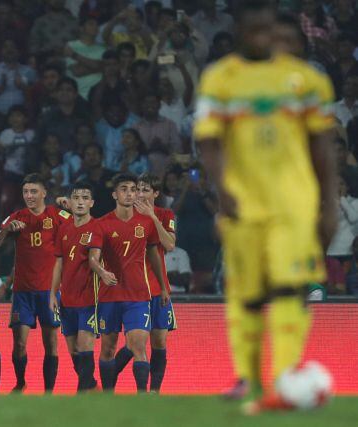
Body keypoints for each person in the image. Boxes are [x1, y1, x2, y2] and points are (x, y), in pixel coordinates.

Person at [196, 1, 337, 412]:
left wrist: (327, 205)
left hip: (294, 202)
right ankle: (247, 377)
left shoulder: (305, 79)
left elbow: (323, 144)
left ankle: (286, 378)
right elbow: (209, 142)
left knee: (291, 287)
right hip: (243, 203)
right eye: (253, 29)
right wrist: (222, 192)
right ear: (238, 30)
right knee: (246, 292)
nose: (261, 36)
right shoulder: (220, 79)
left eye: (266, 28)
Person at [0, 173, 71, 393]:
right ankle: (20, 382)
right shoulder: (17, 217)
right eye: (26, 192)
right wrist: (6, 230)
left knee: (51, 343)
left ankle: (48, 392)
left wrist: (70, 205)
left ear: (44, 193)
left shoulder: (57, 214)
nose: (29, 196)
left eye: (34, 191)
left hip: (49, 292)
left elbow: (83, 222)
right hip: (23, 293)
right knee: (19, 344)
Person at [96, 173, 168, 394]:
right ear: (114, 194)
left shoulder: (146, 222)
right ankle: (108, 397)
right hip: (110, 295)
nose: (129, 193)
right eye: (124, 189)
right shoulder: (102, 224)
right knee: (107, 349)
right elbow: (93, 257)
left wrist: (163, 286)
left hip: (138, 296)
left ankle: (142, 397)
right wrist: (101, 272)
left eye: (133, 189)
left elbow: (155, 254)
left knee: (138, 346)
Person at [112, 173, 176, 392]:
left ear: (156, 193)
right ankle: (108, 378)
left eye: (145, 190)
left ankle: (154, 393)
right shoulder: (125, 214)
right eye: (137, 189)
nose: (139, 194)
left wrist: (152, 217)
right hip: (133, 291)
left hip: (158, 289)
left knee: (158, 342)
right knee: (134, 344)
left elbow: (169, 245)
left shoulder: (165, 214)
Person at [49, 181, 115, 391]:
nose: (80, 202)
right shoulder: (64, 229)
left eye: (85, 198)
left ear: (92, 203)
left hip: (88, 300)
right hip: (66, 299)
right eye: (76, 197)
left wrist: (103, 273)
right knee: (74, 351)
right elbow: (59, 262)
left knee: (86, 349)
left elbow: (93, 258)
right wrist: (53, 294)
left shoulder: (95, 228)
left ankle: (83, 394)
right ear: (70, 201)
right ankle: (93, 389)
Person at [0, 39, 37, 115]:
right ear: (1, 51)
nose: (9, 49)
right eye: (6, 47)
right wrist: (0, 88)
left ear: (19, 51)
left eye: (12, 47)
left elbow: (36, 97)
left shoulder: (29, 71)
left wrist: (23, 87)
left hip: (22, 117)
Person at [134, 92, 183, 177]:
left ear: (159, 105)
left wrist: (163, 148)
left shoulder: (169, 125)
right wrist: (149, 148)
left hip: (166, 175)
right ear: (141, 106)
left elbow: (178, 150)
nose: (150, 105)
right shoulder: (136, 127)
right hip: (142, 175)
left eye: (153, 102)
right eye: (146, 102)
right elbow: (132, 153)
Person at [64, 16, 105, 100]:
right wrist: (99, 67)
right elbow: (77, 71)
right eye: (91, 24)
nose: (95, 27)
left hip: (99, 95)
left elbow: (105, 67)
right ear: (81, 28)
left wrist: (74, 55)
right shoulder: (71, 45)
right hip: (77, 95)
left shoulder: (103, 48)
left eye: (97, 24)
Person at [0, 106, 36, 185]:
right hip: (10, 170)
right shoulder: (5, 133)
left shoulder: (31, 134)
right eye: (12, 116)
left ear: (26, 119)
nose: (14, 118)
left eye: (18, 115)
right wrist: (0, 149)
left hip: (28, 169)